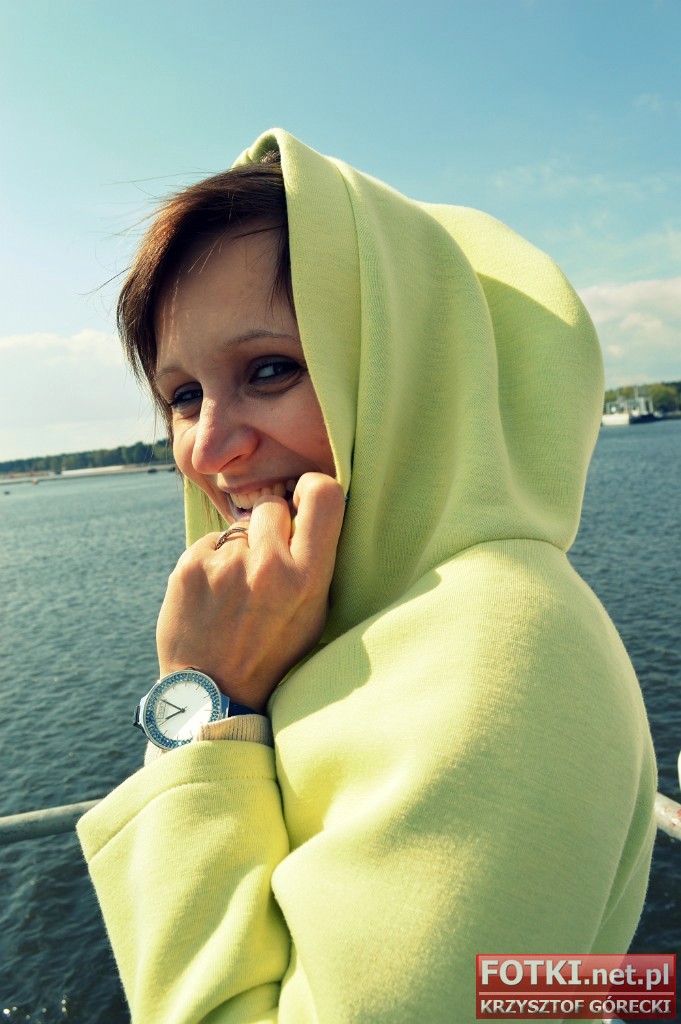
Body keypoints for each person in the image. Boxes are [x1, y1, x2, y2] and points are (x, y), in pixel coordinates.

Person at [77, 129, 657, 1024]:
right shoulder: (366, 622)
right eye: (183, 394)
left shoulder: (500, 646)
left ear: (407, 375)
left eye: (270, 369)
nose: (208, 447)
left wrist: (202, 707)